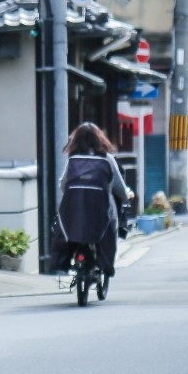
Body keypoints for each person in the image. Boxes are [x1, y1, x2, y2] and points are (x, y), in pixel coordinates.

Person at [52, 122, 135, 288]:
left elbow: (63, 185)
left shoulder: (73, 159)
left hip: (74, 210)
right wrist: (127, 197)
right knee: (111, 226)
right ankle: (106, 265)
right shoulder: (107, 159)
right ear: (100, 140)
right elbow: (118, 186)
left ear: (76, 140)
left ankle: (65, 263)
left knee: (64, 228)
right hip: (101, 212)